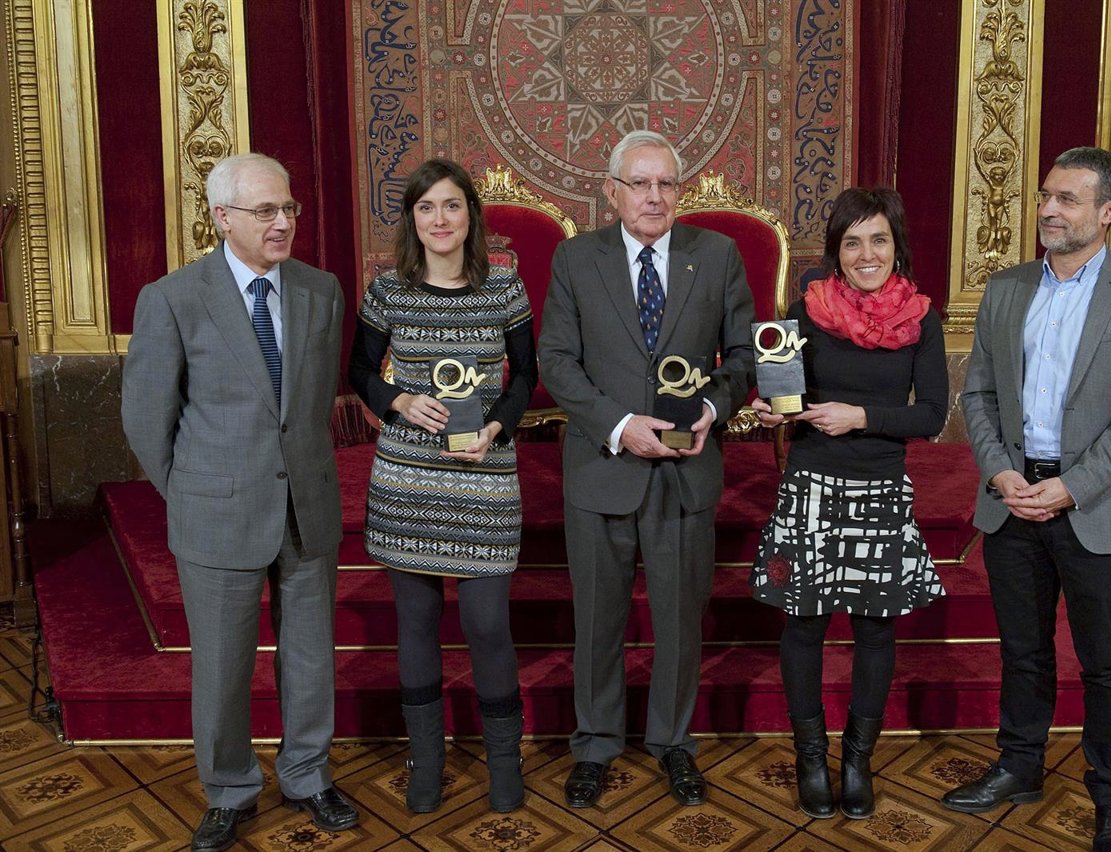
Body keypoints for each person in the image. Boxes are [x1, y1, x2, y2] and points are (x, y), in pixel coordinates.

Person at [946, 147, 1111, 852]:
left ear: (1108, 211)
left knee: (1106, 663)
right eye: (1046, 195)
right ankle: (1019, 767)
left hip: (1094, 507)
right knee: (1023, 652)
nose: (1048, 209)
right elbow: (979, 394)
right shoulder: (1007, 287)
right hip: (1013, 501)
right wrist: (999, 473)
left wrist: (1073, 486)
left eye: (1067, 199)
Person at [121, 153, 357, 851]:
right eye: (265, 211)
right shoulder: (172, 297)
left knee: (310, 656)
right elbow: (146, 418)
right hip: (216, 511)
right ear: (222, 217)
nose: (282, 222)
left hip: (306, 507)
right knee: (223, 664)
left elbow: (311, 403)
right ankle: (228, 789)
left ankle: (307, 775)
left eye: (289, 209)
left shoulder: (321, 289)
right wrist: (192, 491)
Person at [539, 130, 755, 808]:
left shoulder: (716, 256)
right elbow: (556, 361)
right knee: (597, 621)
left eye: (666, 183)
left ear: (680, 191)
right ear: (613, 192)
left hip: (686, 470)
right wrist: (619, 426)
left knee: (680, 622)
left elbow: (744, 357)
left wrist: (712, 411)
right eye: (640, 183)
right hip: (603, 468)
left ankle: (672, 741)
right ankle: (595, 743)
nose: (654, 196)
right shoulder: (576, 259)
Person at [751, 187, 947, 820]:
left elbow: (931, 415)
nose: (867, 255)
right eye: (853, 242)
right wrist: (772, 409)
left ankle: (857, 761)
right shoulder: (806, 314)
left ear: (896, 246)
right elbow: (785, 394)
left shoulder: (922, 319)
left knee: (874, 627)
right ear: (836, 251)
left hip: (881, 488)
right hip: (812, 483)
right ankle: (811, 758)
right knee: (804, 624)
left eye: (878, 240)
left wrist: (860, 416)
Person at [348, 158, 536, 813]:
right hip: (407, 479)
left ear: (470, 215)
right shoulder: (388, 292)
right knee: (417, 623)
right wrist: (397, 401)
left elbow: (526, 375)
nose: (440, 219)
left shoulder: (504, 287)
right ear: (412, 219)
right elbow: (358, 369)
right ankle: (425, 762)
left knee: (486, 624)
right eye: (426, 207)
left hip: (483, 476)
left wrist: (497, 426)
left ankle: (504, 765)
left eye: (451, 205)